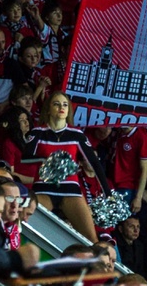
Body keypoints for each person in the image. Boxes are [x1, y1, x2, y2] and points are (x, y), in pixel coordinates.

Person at [21, 91, 111, 242]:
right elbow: (25, 158)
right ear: (48, 109)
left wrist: (108, 193)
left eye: (65, 105)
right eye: (56, 104)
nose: (61, 107)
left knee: (91, 239)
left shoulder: (76, 134)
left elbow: (94, 163)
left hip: (71, 191)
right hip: (44, 189)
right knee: (26, 227)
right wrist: (47, 159)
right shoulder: (37, 132)